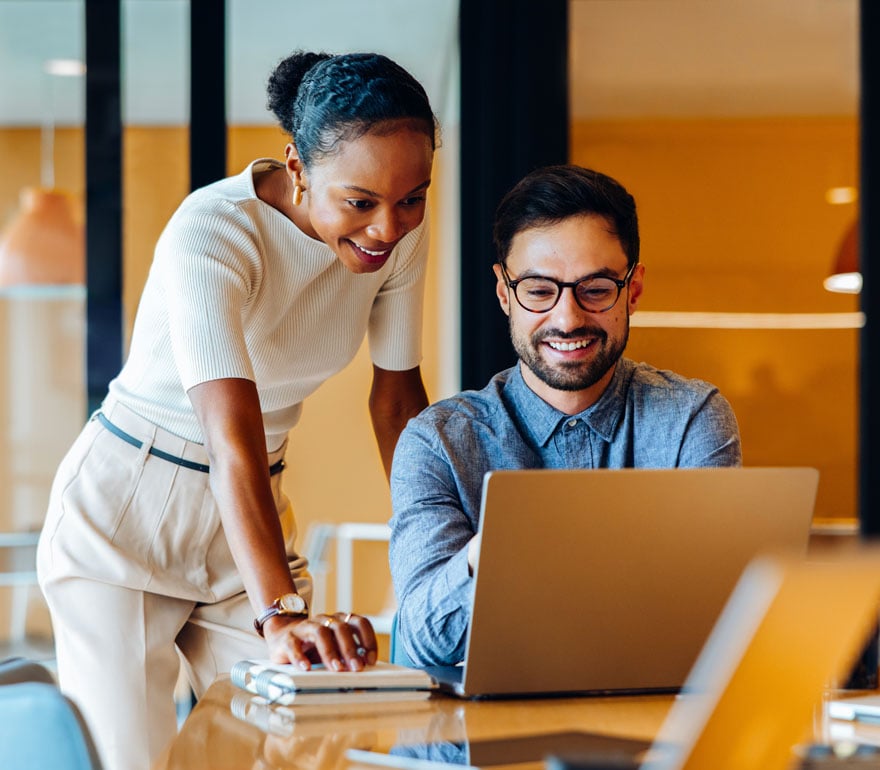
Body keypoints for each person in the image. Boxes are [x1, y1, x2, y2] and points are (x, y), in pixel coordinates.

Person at [37, 50, 438, 770]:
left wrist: (436, 549)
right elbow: (232, 437)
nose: (387, 227)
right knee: (133, 760)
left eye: (413, 198)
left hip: (250, 512)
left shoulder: (396, 236)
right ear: (297, 166)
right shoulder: (214, 231)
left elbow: (398, 403)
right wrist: (280, 614)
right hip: (126, 517)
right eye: (361, 203)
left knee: (300, 745)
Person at [389, 164, 742, 667]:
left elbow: (718, 621)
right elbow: (426, 638)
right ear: (504, 293)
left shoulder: (691, 419)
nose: (568, 318)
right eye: (538, 291)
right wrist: (499, 547)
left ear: (633, 290)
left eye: (595, 289)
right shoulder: (438, 442)